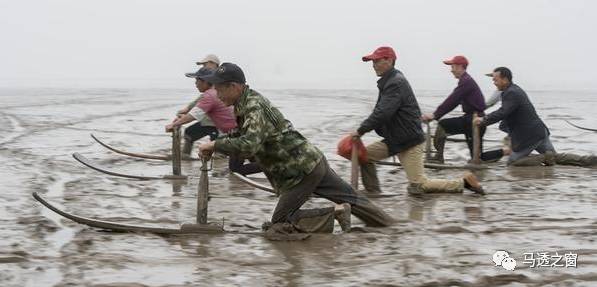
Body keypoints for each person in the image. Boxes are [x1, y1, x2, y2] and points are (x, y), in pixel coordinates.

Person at [198, 63, 396, 233]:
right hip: (311, 160)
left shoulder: (252, 106)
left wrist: (215, 144)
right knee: (354, 199)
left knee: (279, 224)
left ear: (233, 87)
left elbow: (249, 144)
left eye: (219, 88)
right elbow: (245, 136)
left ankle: (335, 213)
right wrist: (218, 145)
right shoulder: (246, 103)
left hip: (300, 171)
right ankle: (393, 228)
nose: (216, 94)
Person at [352, 46, 484, 196]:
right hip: (395, 139)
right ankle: (373, 191)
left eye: (376, 61)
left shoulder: (395, 83)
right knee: (363, 155)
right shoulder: (389, 81)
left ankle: (464, 183)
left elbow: (383, 112)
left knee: (418, 186)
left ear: (389, 61)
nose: (373, 65)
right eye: (372, 62)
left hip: (409, 140)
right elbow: (382, 112)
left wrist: (360, 130)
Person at [475, 67, 597, 166]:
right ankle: (588, 160)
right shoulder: (513, 90)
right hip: (538, 131)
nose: (493, 82)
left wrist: (483, 120)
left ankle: (544, 157)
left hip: (530, 135)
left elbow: (503, 112)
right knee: (556, 157)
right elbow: (506, 114)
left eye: (496, 79)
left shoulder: (511, 93)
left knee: (513, 162)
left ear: (505, 79)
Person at [166, 66, 262, 175]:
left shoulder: (210, 96)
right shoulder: (211, 94)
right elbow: (193, 109)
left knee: (237, 168)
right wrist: (179, 119)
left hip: (238, 134)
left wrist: (174, 124)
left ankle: (272, 169)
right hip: (236, 132)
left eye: (197, 80)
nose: (195, 83)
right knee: (249, 160)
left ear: (206, 82)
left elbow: (195, 114)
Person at [421, 55, 501, 162]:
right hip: (475, 119)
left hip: (473, 121)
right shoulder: (466, 80)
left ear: (460, 67)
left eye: (452, 67)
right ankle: (506, 152)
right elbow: (454, 100)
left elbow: (452, 100)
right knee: (478, 158)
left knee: (442, 125)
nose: (451, 70)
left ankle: (438, 158)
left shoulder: (466, 82)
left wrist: (435, 115)